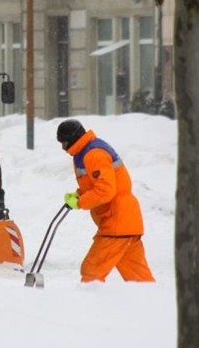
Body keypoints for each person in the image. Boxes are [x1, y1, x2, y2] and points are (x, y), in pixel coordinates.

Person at [57, 119, 155, 283]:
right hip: (125, 223)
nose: (63, 148)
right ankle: (153, 305)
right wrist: (78, 195)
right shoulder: (85, 151)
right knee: (139, 279)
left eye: (64, 142)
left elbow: (105, 190)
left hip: (116, 224)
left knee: (91, 272)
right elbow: (95, 185)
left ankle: (92, 306)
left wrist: (80, 203)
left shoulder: (93, 154)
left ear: (73, 139)